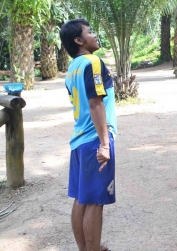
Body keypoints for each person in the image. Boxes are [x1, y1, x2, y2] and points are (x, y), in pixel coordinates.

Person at [60, 19, 117, 251]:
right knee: (95, 201)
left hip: (79, 141)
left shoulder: (72, 68)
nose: (94, 35)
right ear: (78, 40)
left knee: (82, 198)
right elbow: (95, 104)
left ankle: (85, 248)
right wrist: (104, 144)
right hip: (95, 139)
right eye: (89, 31)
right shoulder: (92, 62)